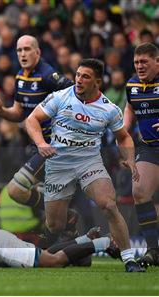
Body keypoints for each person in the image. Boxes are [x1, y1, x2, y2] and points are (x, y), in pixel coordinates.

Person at [26, 58, 145, 272]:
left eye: (85, 76)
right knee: (55, 225)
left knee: (108, 204)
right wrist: (41, 143)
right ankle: (85, 241)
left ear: (97, 82)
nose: (79, 80)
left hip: (88, 161)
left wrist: (128, 157)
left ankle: (129, 259)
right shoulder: (61, 97)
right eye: (78, 74)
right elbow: (32, 120)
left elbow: (123, 137)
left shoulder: (109, 109)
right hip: (58, 164)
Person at [0, 35, 73, 220]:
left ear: (38, 52)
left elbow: (76, 94)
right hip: (37, 147)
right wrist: (1, 110)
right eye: (19, 50)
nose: (23, 54)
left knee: (16, 190)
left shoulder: (48, 76)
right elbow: (19, 113)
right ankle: (65, 216)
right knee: (52, 222)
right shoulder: (20, 77)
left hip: (53, 147)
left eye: (27, 49)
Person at [123, 42, 159, 267]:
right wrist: (124, 127)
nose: (139, 66)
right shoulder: (132, 84)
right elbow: (130, 106)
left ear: (157, 61)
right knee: (140, 191)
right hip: (150, 147)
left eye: (144, 61)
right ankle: (154, 251)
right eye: (136, 62)